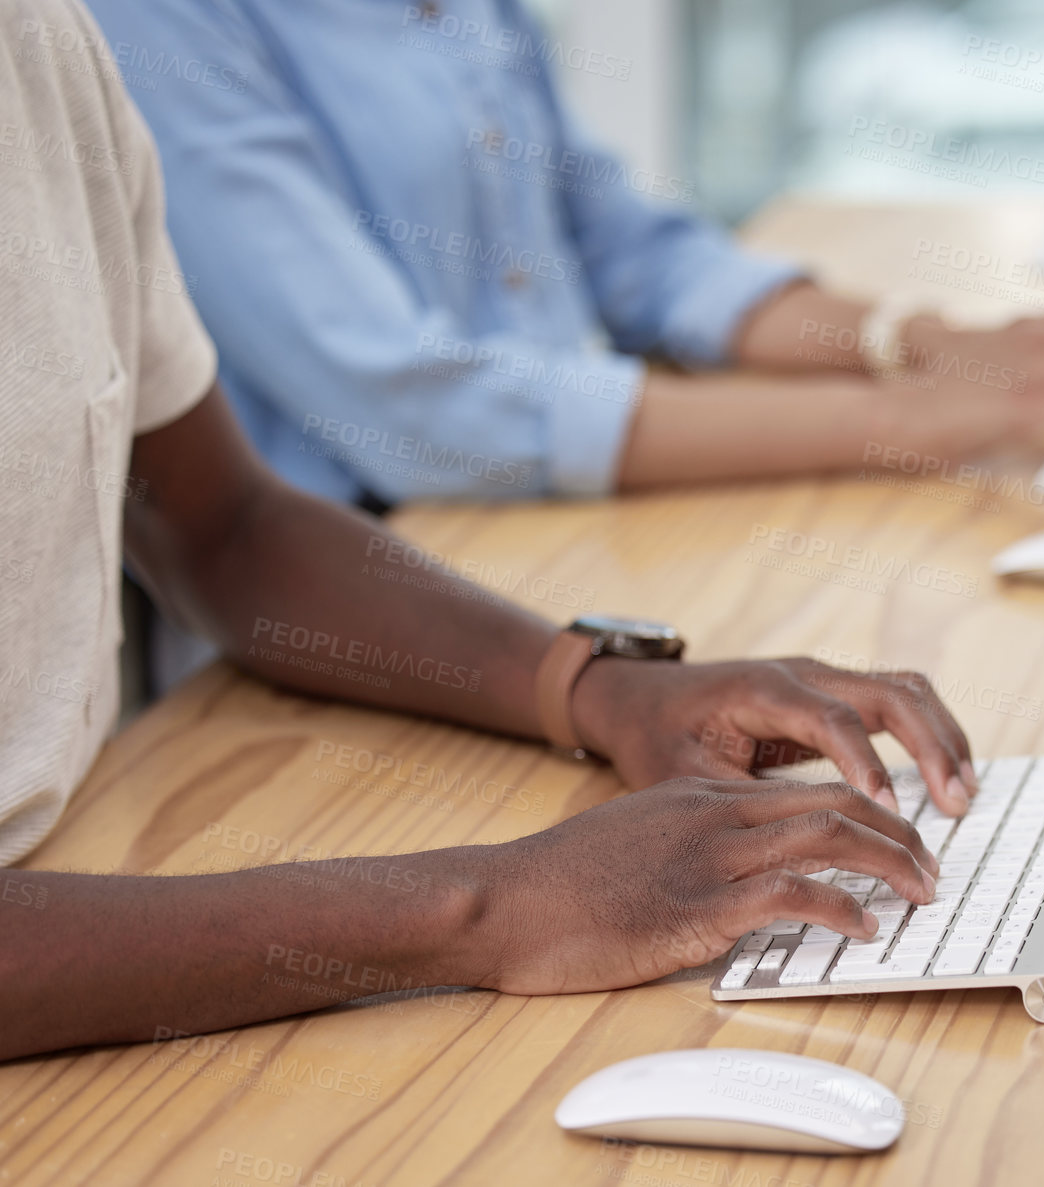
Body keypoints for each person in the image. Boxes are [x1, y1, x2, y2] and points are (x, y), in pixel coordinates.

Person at [0, 0, 969, 1064]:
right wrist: (487, 905)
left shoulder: (48, 45)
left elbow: (223, 524)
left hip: (93, 856)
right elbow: (408, 409)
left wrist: (598, 682)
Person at [80, 0, 1044, 509]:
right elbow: (415, 412)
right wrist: (914, 418)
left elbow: (636, 257)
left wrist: (938, 342)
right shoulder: (152, 20)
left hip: (575, 514)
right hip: (376, 590)